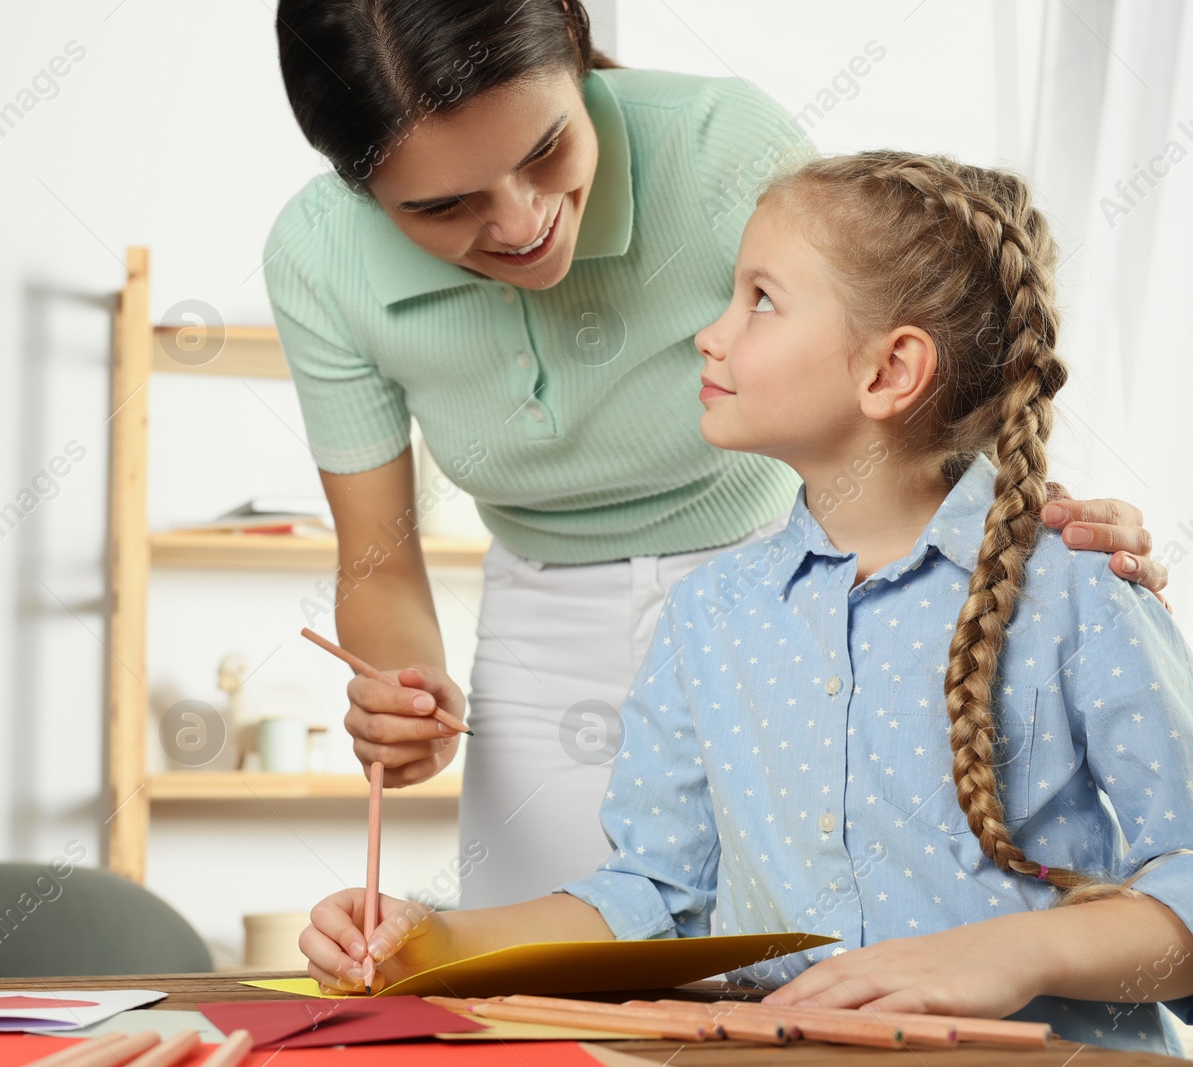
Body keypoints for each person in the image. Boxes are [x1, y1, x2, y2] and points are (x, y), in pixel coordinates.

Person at [266, 0, 1170, 908]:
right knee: (548, 966)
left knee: (800, 922)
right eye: (444, 204)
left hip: (780, 580)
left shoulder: (719, 148)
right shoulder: (319, 259)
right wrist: (407, 693)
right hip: (549, 617)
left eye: (545, 151)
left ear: (578, 56)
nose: (521, 221)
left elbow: (897, 327)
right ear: (360, 191)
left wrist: (1018, 512)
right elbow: (376, 561)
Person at [295, 149, 1193, 1054]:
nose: (710, 334)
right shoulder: (710, 616)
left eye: (759, 299)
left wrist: (1015, 952)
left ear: (890, 371)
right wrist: (430, 941)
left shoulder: (1080, 583)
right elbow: (653, 895)